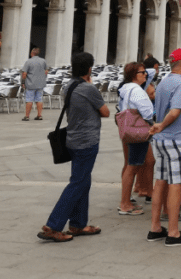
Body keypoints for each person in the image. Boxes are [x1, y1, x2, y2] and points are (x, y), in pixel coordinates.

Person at [38, 52, 109, 242]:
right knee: (78, 182)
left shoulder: (68, 85)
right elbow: (106, 111)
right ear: (89, 68)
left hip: (72, 138)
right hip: (87, 140)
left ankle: (78, 223)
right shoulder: (88, 88)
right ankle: (53, 225)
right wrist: (92, 85)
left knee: (83, 180)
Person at [147, 48, 181, 247]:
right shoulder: (180, 83)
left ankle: (155, 227)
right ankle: (174, 232)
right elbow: (176, 110)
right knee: (176, 184)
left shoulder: (164, 81)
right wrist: (162, 124)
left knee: (160, 181)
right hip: (177, 139)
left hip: (161, 140)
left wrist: (160, 127)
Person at [117, 62, 155, 216]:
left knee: (130, 165)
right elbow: (148, 112)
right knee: (132, 166)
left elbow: (151, 71)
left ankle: (126, 200)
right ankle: (125, 203)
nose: (145, 74)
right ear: (134, 75)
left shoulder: (126, 88)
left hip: (129, 130)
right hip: (138, 131)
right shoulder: (137, 90)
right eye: (141, 72)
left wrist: (144, 70)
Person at [21, 46, 49, 121]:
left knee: (29, 99)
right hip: (40, 83)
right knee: (39, 99)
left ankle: (27, 116)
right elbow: (46, 71)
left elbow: (24, 73)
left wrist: (23, 82)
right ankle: (39, 115)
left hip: (30, 83)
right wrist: (43, 77)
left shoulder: (28, 61)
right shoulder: (43, 61)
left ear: (32, 53)